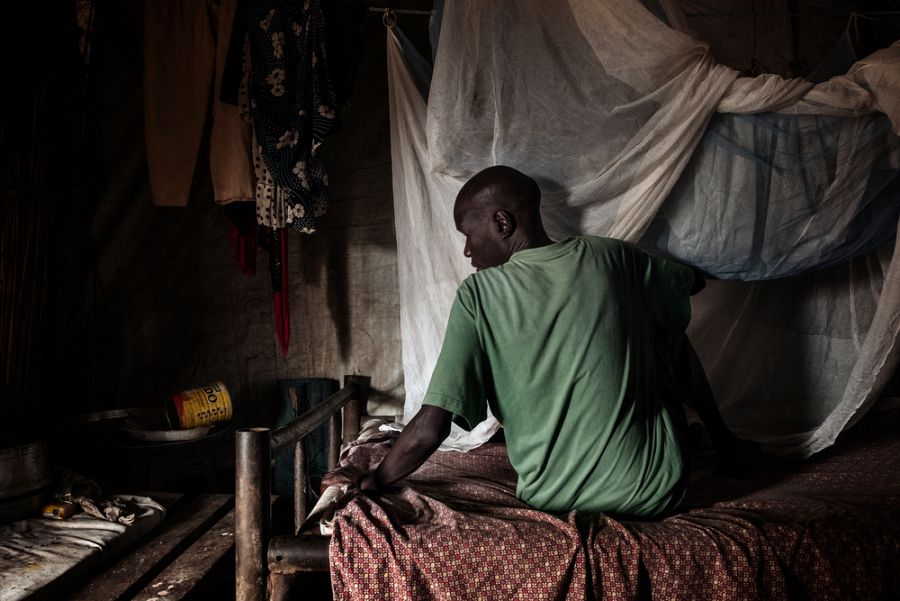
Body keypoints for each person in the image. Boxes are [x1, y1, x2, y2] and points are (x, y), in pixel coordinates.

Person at [351, 165, 758, 518]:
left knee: (654, 327)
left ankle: (718, 444)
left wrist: (376, 478)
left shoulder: (479, 295)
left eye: (469, 235)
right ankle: (725, 444)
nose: (467, 250)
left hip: (551, 497)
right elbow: (694, 282)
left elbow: (430, 427)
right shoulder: (615, 258)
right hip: (653, 490)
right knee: (663, 331)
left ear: (502, 223)